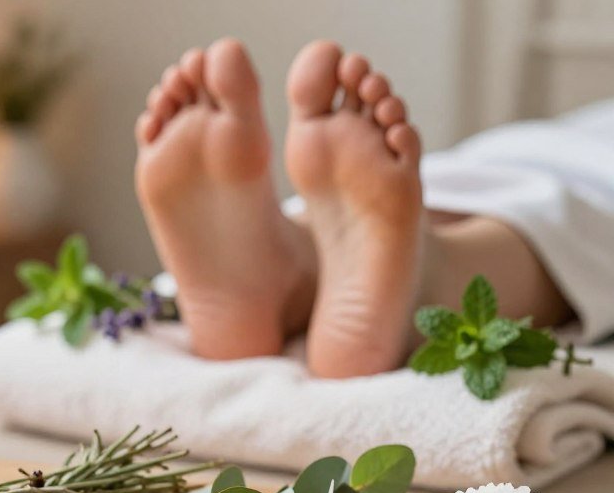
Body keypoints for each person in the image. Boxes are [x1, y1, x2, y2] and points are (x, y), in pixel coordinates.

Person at [134, 39, 614, 378]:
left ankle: (314, 263)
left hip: (537, 146)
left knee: (499, 183)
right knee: (556, 204)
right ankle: (315, 259)